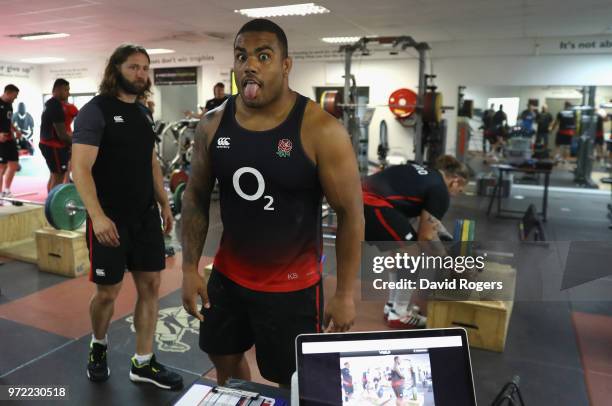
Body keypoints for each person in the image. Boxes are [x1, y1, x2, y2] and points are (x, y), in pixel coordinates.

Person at [181, 19, 364, 387]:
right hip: (228, 277)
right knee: (224, 363)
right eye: (241, 55)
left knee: (291, 381)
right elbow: (196, 197)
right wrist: (189, 268)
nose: (250, 64)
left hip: (293, 287)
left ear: (285, 65)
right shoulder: (212, 125)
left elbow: (350, 215)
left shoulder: (321, 130)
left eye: (263, 56)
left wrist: (345, 293)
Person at [72, 44, 182, 390]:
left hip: (144, 216)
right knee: (109, 291)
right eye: (134, 67)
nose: (141, 74)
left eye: (145, 68)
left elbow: (150, 161)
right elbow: (81, 169)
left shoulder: (143, 113)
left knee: (150, 286)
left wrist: (164, 203)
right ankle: (98, 345)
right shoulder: (95, 111)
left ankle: (143, 362)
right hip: (109, 219)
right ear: (116, 69)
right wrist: (98, 217)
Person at [362, 155, 468, 328]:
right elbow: (425, 236)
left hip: (362, 199)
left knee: (399, 250)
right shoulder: (440, 190)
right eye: (460, 191)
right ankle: (399, 314)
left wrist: (446, 237)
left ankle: (393, 306)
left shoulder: (428, 175)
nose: (457, 195)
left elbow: (429, 221)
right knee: (412, 253)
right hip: (372, 203)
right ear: (456, 181)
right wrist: (448, 261)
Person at [40, 78, 72, 192]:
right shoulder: (56, 107)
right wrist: (75, 144)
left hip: (49, 144)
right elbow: (62, 135)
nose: (68, 93)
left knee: (54, 175)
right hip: (53, 146)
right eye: (66, 90)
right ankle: (52, 206)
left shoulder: (51, 104)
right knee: (58, 177)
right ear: (57, 90)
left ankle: (49, 203)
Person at [0, 84, 22, 198]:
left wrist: (16, 130)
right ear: (8, 93)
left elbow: (8, 121)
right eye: (15, 95)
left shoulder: (9, 105)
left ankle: (6, 190)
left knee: (13, 164)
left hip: (9, 138)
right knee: (1, 167)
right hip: (1, 141)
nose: (16, 98)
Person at [62, 101, 79, 183]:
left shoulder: (71, 107)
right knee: (69, 163)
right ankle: (66, 183)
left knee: (70, 162)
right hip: (64, 139)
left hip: (68, 136)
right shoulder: (56, 107)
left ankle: (67, 182)